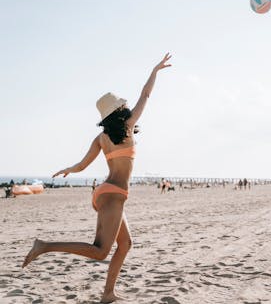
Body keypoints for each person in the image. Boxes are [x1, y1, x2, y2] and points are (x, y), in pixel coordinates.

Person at [22, 53, 173, 303]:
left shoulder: (102, 138)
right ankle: (44, 246)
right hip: (114, 194)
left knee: (125, 245)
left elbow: (82, 165)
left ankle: (108, 293)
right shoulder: (128, 126)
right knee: (101, 251)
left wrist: (68, 169)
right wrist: (155, 71)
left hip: (104, 192)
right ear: (121, 110)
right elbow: (146, 95)